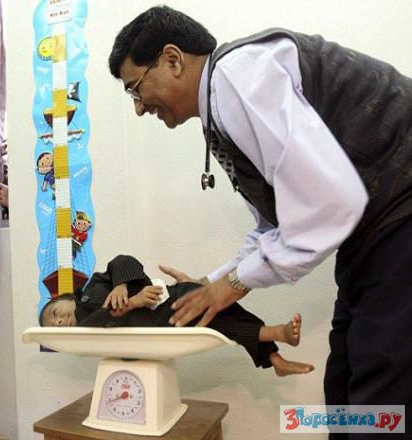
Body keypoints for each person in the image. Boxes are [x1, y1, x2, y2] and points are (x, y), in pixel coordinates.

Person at [108, 5, 412, 436]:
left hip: (400, 219)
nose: (139, 108)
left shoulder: (239, 76)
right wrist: (212, 283)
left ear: (172, 60)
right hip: (377, 233)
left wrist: (231, 285)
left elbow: (329, 204)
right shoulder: (224, 103)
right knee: (346, 384)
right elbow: (275, 225)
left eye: (135, 89)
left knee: (380, 399)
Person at [40, 255, 314, 377]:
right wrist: (133, 301)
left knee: (226, 310)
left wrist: (120, 283)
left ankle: (274, 357)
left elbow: (122, 261)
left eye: (54, 313)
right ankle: (275, 339)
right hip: (162, 318)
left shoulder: (91, 289)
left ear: (64, 298)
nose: (60, 321)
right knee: (220, 323)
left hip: (171, 295)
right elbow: (101, 320)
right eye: (55, 325)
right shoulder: (86, 324)